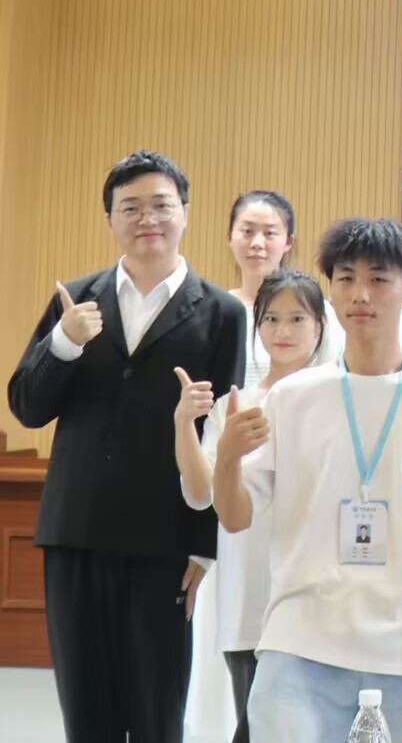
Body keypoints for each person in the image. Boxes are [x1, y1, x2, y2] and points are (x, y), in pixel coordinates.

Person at [213, 216, 402, 743]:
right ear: (331, 293)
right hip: (299, 646)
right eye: (346, 278)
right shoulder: (290, 398)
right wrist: (227, 459)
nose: (361, 294)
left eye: (379, 279)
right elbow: (235, 516)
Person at [8, 149, 247, 743]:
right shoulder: (76, 300)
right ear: (110, 219)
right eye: (130, 207)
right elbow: (27, 406)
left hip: (165, 541)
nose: (147, 219)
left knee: (157, 713)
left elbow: (223, 436)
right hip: (76, 533)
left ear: (185, 212)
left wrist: (204, 547)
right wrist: (63, 344)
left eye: (161, 205)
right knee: (86, 714)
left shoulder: (221, 312)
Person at [175, 268, 330, 743]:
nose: (283, 331)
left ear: (320, 326)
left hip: (315, 591)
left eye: (297, 318)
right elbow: (200, 494)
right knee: (252, 722)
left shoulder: (334, 401)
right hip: (247, 586)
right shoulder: (236, 404)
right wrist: (184, 424)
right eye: (271, 319)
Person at [227, 190, 344, 389]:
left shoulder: (318, 310)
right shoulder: (219, 309)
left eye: (269, 233)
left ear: (288, 242)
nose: (257, 243)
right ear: (230, 237)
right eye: (247, 231)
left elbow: (333, 382)